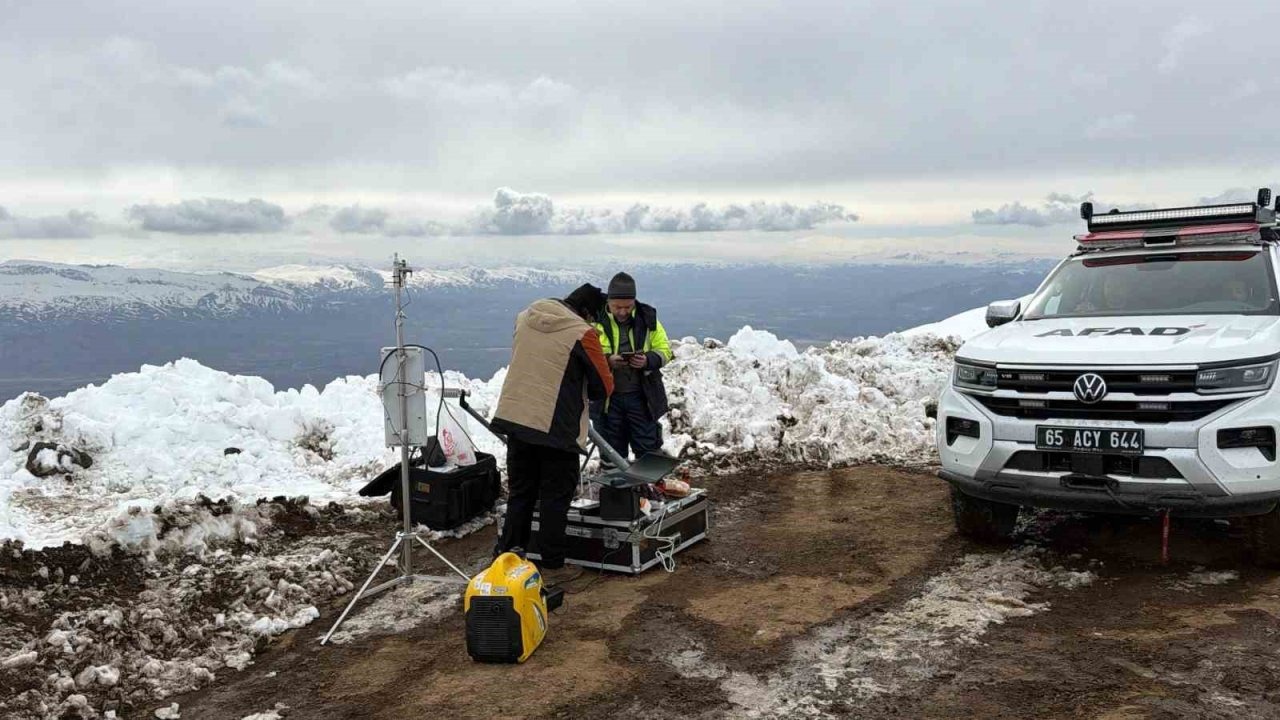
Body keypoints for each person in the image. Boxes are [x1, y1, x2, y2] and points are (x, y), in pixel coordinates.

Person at [491, 284, 614, 582]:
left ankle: (506, 556)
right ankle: (553, 563)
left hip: (517, 420)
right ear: (588, 313)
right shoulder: (583, 333)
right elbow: (603, 387)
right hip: (557, 428)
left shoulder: (525, 317)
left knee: (522, 492)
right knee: (555, 497)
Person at [594, 272, 673, 461]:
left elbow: (665, 350)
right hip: (607, 401)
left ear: (634, 302)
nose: (622, 312)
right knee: (612, 453)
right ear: (609, 302)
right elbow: (584, 356)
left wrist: (648, 360)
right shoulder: (595, 320)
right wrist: (607, 361)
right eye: (617, 307)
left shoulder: (647, 319)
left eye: (627, 307)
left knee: (648, 449)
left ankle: (648, 489)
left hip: (641, 397)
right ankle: (616, 490)